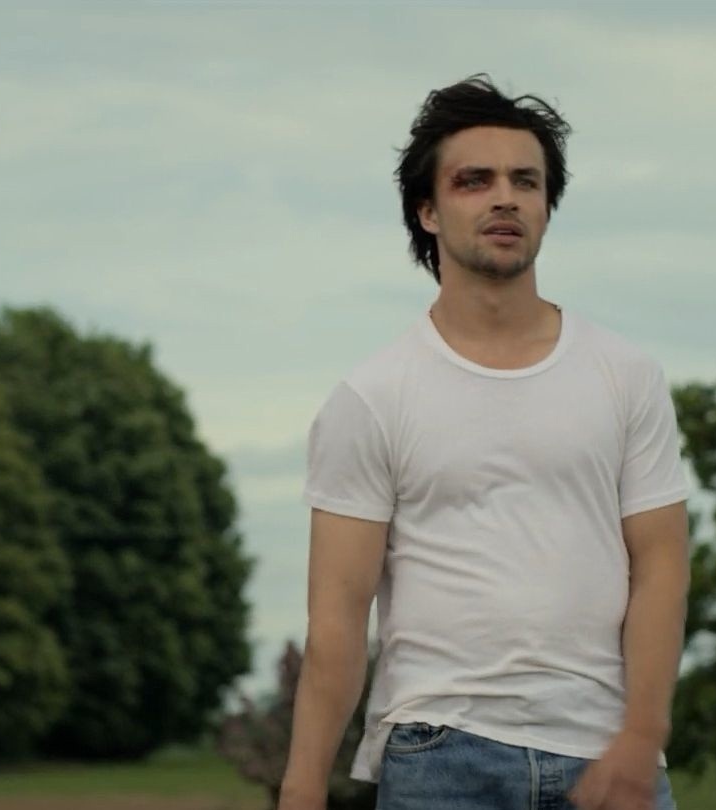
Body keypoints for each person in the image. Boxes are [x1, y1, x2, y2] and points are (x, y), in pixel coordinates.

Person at [279, 77, 693, 809]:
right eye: (475, 181)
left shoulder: (627, 375)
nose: (506, 198)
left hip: (607, 755)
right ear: (428, 210)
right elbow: (337, 617)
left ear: (546, 206)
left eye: (525, 181)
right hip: (440, 756)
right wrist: (302, 789)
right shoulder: (372, 398)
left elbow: (660, 566)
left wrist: (641, 734)